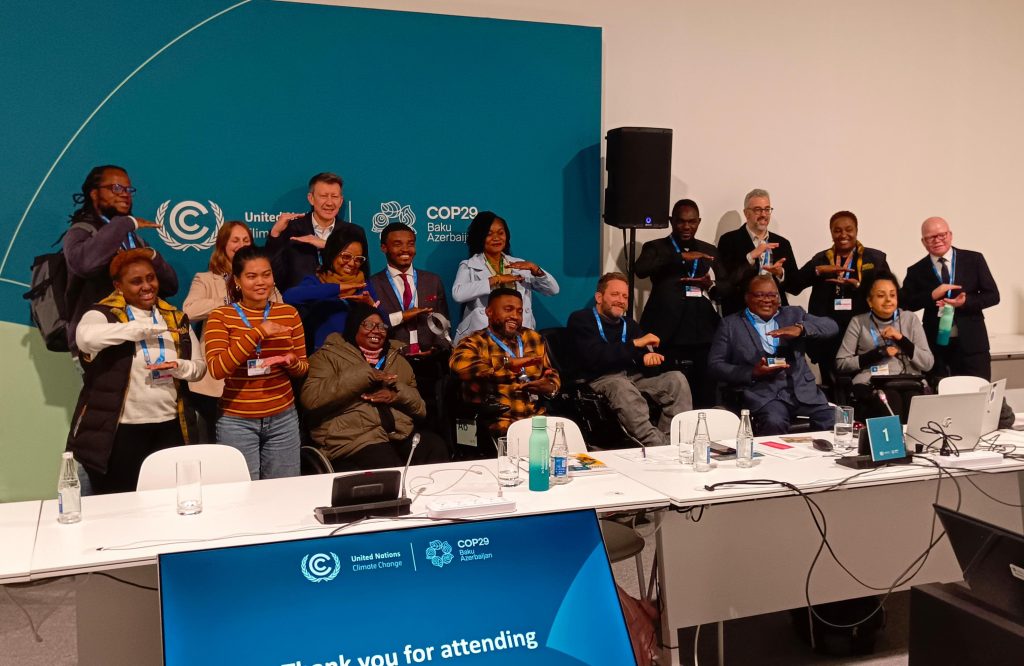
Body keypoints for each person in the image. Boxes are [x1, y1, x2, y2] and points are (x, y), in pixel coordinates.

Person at [66, 249, 205, 494]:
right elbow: (84, 338)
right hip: (120, 433)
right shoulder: (103, 314)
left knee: (166, 503)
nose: (147, 286)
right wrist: (136, 330)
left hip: (169, 427)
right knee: (118, 508)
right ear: (119, 286)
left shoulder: (174, 318)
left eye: (151, 278)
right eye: (136, 281)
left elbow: (199, 367)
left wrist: (181, 368)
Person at [301, 304, 449, 472]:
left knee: (434, 447)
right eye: (368, 325)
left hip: (397, 433)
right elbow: (311, 399)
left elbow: (420, 409)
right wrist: (364, 374)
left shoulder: (397, 359)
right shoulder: (326, 357)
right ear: (354, 327)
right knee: (385, 461)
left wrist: (396, 395)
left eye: (381, 326)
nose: (377, 331)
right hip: (352, 438)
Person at [204, 246, 308, 479]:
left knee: (284, 492)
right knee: (241, 495)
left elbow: (303, 367)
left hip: (284, 419)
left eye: (266, 274)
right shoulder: (220, 316)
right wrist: (257, 333)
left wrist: (292, 363)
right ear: (238, 281)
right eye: (251, 276)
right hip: (236, 422)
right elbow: (217, 369)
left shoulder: (288, 313)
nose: (261, 282)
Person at [567, 272, 693, 447]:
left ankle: (677, 442)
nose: (621, 300)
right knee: (621, 385)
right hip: (599, 378)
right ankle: (656, 445)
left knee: (676, 379)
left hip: (631, 378)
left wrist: (647, 358)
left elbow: (640, 357)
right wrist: (637, 344)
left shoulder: (630, 324)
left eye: (625, 296)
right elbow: (594, 356)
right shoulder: (581, 319)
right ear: (599, 297)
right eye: (615, 294)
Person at [63, 164, 178, 356]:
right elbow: (85, 265)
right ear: (94, 194)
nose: (125, 194)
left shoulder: (135, 239)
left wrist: (152, 256)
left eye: (128, 189)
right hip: (100, 343)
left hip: (138, 340)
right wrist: (127, 222)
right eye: (116, 188)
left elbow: (170, 286)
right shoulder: (81, 232)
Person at [182, 221, 281, 440]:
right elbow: (188, 310)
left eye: (246, 240)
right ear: (223, 245)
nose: (241, 244)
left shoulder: (264, 281)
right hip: (217, 380)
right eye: (235, 240)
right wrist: (232, 300)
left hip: (258, 374)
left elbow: (279, 310)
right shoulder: (206, 279)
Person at [708, 275, 838, 435]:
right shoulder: (731, 324)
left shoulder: (794, 314)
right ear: (747, 297)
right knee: (774, 421)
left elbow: (831, 326)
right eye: (760, 295)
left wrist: (801, 328)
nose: (767, 300)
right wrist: (752, 372)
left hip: (802, 392)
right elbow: (715, 365)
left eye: (772, 295)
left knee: (836, 420)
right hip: (764, 395)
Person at [635, 198, 722, 407]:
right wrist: (681, 257)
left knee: (705, 390)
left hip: (701, 330)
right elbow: (640, 270)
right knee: (670, 390)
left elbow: (725, 287)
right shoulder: (655, 247)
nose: (686, 227)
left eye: (692, 222)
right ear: (671, 221)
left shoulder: (709, 249)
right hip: (666, 331)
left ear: (699, 222)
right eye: (681, 222)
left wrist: (710, 284)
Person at [790, 211, 890, 386]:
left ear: (857, 230)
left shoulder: (875, 259)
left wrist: (859, 286)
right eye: (837, 230)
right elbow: (794, 286)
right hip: (829, 338)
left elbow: (888, 291)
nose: (843, 235)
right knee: (833, 387)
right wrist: (818, 271)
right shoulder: (821, 259)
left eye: (848, 229)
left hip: (863, 336)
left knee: (864, 386)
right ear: (831, 232)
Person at [450, 288, 560, 436]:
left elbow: (550, 371)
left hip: (536, 419)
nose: (515, 316)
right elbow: (458, 366)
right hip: (498, 423)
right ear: (489, 312)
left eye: (519, 311)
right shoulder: (474, 341)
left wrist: (550, 386)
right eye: (508, 310)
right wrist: (507, 362)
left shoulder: (533, 338)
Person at [901, 217, 1000, 381]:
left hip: (972, 343)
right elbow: (905, 303)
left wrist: (965, 302)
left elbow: (993, 296)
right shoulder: (916, 270)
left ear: (950, 235)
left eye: (942, 235)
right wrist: (932, 295)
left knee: (978, 393)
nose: (937, 240)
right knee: (941, 395)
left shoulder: (974, 259)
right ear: (923, 241)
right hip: (936, 345)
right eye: (931, 237)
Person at [836, 273, 933, 421]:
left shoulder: (910, 319)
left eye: (892, 295)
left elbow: (927, 363)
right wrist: (878, 353)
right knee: (890, 399)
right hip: (873, 383)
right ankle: (893, 444)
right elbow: (841, 363)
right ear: (870, 301)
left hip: (910, 381)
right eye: (881, 295)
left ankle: (913, 444)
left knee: (913, 400)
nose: (888, 300)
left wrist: (901, 339)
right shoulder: (859, 322)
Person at [452, 211, 558, 341]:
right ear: (480, 237)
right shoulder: (469, 265)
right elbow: (458, 294)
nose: (496, 238)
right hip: (482, 338)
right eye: (489, 234)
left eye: (501, 233)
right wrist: (496, 279)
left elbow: (553, 290)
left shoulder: (519, 265)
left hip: (518, 334)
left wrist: (536, 270)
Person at [265, 172, 368, 291]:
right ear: (311, 199)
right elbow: (274, 272)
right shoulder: (292, 229)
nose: (329, 203)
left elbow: (363, 274)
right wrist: (275, 234)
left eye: (334, 197)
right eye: (323, 196)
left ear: (340, 201)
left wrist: (326, 245)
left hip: (342, 304)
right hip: (300, 305)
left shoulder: (354, 232)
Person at [283, 225, 377, 353]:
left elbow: (385, 322)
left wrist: (371, 307)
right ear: (332, 253)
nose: (351, 263)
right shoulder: (316, 281)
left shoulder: (363, 284)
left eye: (358, 259)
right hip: (324, 359)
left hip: (360, 358)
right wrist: (338, 288)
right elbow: (289, 296)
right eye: (346, 256)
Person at [368, 222, 450, 352]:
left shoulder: (433, 281)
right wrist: (401, 316)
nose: (405, 249)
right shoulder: (372, 284)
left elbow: (442, 323)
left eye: (410, 244)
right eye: (397, 244)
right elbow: (371, 327)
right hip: (392, 359)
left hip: (431, 361)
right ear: (384, 247)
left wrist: (438, 349)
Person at [716, 188, 798, 316]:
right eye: (758, 210)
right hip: (742, 313)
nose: (764, 215)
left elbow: (795, 287)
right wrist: (751, 257)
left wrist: (780, 274)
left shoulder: (782, 243)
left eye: (767, 209)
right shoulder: (729, 241)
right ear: (746, 213)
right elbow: (726, 284)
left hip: (776, 314)